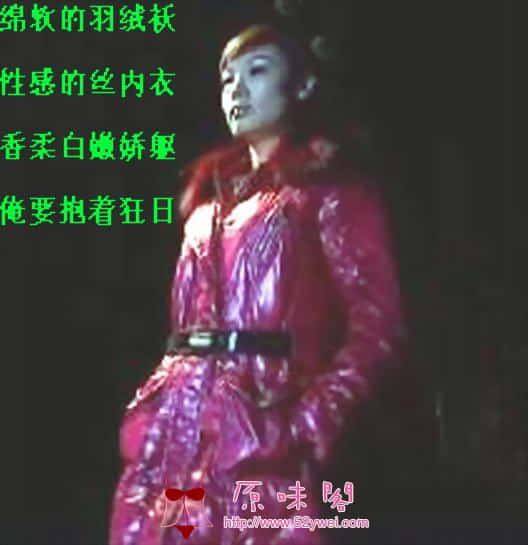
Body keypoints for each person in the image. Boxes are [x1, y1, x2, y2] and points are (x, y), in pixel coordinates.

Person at [109, 24, 408, 545]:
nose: (237, 90)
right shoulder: (203, 208)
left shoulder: (328, 191)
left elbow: (377, 325)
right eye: (227, 79)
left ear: (303, 85)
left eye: (258, 71)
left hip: (266, 438)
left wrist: (312, 419)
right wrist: (158, 404)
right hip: (178, 438)